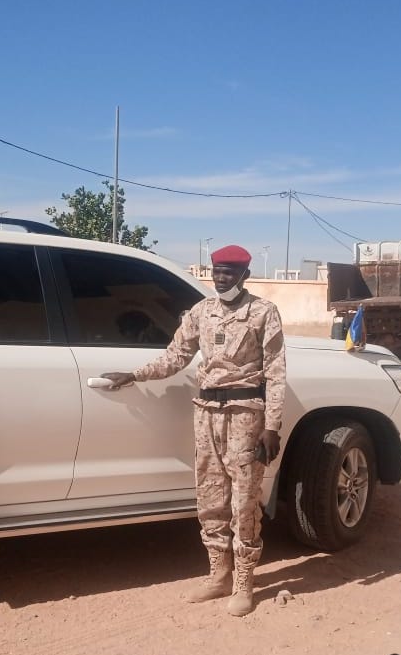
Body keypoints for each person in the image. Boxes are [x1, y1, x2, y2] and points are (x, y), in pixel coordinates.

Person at [102, 245, 286, 617]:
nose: (222, 277)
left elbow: (276, 372)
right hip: (206, 414)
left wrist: (272, 427)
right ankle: (218, 574)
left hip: (245, 415)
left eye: (230, 272)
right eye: (217, 271)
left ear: (245, 275)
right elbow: (176, 356)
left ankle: (244, 582)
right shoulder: (201, 313)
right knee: (210, 496)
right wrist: (134, 374)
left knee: (244, 500)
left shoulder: (263, 313)